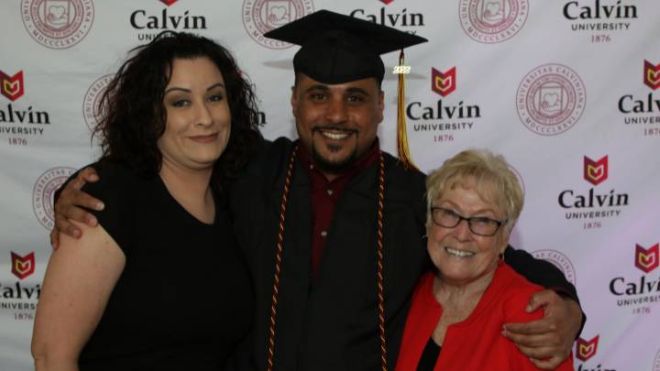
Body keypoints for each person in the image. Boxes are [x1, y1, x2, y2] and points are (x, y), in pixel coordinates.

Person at [51, 11, 583, 371]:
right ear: (295, 101)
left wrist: (566, 303)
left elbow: (491, 249)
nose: (335, 115)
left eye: (355, 98)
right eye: (318, 96)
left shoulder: (415, 197)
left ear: (380, 106)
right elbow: (156, 179)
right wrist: (79, 193)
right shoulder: (247, 172)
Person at [31, 31, 259, 371]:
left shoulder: (236, 195)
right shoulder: (106, 198)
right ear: (149, 114)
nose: (205, 118)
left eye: (215, 97)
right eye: (180, 102)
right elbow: (52, 356)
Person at [395, 149, 574, 370]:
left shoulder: (530, 315)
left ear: (504, 238)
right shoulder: (408, 295)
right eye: (450, 213)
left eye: (482, 220)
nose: (462, 234)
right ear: (429, 222)